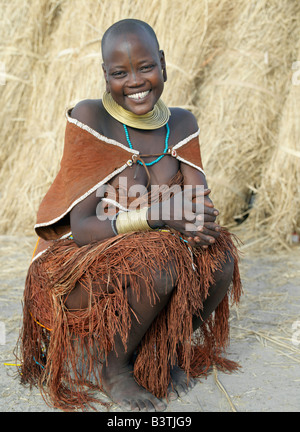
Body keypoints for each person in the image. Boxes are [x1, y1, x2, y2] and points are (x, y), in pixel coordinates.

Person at [17, 19, 242, 412]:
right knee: (157, 264)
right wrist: (157, 216)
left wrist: (200, 225)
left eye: (145, 67)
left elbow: (197, 203)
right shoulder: (91, 118)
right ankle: (113, 367)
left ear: (164, 65)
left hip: (152, 253)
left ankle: (161, 350)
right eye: (119, 73)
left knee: (220, 258)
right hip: (81, 261)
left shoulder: (182, 124)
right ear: (105, 76)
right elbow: (82, 228)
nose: (135, 81)